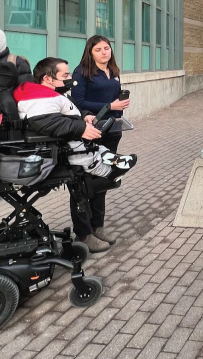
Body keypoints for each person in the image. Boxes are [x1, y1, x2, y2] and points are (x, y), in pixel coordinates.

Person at [14, 58, 136, 252]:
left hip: (73, 146)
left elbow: (62, 113)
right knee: (91, 182)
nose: (70, 78)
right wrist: (81, 128)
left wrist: (84, 115)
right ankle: (85, 235)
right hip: (66, 152)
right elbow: (47, 122)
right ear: (47, 78)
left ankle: (91, 228)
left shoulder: (48, 94)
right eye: (65, 75)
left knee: (100, 175)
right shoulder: (39, 98)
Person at [70, 35, 131, 251]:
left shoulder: (113, 72)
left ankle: (98, 226)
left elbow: (116, 102)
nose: (104, 52)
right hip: (92, 130)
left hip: (113, 130)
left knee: (104, 177)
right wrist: (110, 104)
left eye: (107, 48)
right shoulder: (82, 72)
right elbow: (77, 102)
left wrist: (119, 107)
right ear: (90, 52)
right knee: (85, 180)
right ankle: (83, 232)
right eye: (99, 49)